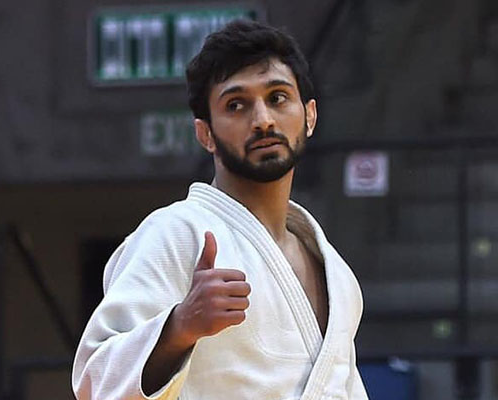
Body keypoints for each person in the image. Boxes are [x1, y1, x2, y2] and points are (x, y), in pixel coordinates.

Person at [72, 19, 369, 400]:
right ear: (205, 134)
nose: (263, 120)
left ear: (309, 116)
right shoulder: (176, 234)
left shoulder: (337, 273)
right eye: (236, 105)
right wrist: (179, 326)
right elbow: (94, 381)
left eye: (278, 98)